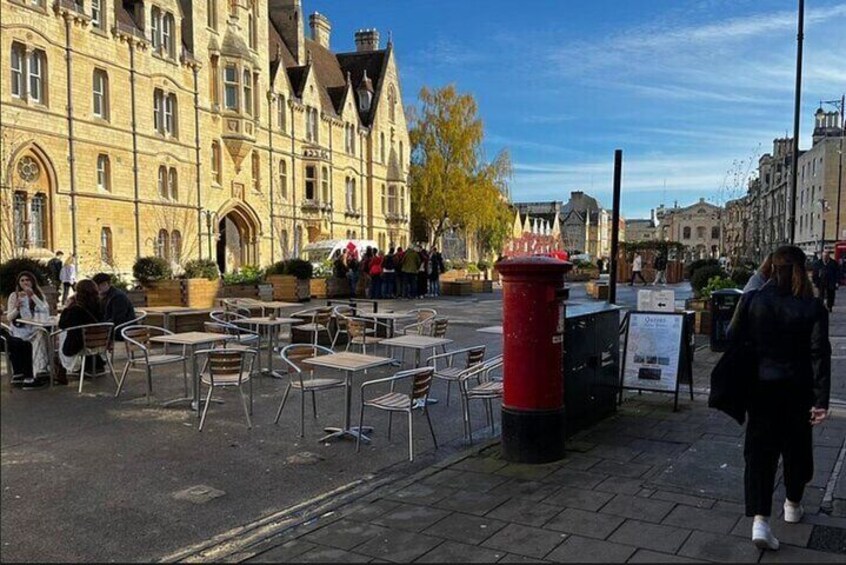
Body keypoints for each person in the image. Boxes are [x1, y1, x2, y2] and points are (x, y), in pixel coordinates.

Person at [727, 245, 830, 551]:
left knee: (759, 455)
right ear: (803, 268)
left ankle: (760, 520)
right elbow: (819, 355)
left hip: (761, 390)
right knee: (797, 450)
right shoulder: (813, 307)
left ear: (770, 268)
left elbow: (732, 337)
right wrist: (821, 399)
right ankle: (792, 504)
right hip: (797, 392)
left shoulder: (754, 300)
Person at [5, 272, 51, 388]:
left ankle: (41, 371)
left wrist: (33, 296)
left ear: (32, 282)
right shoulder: (14, 296)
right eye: (22, 280)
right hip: (20, 331)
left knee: (42, 335)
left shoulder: (38, 294)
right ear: (18, 283)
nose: (25, 283)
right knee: (40, 337)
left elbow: (45, 310)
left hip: (35, 328)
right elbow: (9, 317)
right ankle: (38, 372)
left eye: (28, 280)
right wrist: (16, 308)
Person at [57, 279, 103, 374]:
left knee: (62, 333)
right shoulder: (100, 305)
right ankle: (94, 364)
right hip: (100, 342)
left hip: (80, 344)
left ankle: (62, 366)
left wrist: (66, 307)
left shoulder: (76, 310)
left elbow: (62, 324)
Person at [0, 305, 34, 388]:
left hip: (3, 334)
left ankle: (18, 373)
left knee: (21, 344)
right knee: (23, 344)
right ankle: (27, 376)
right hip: (2, 338)